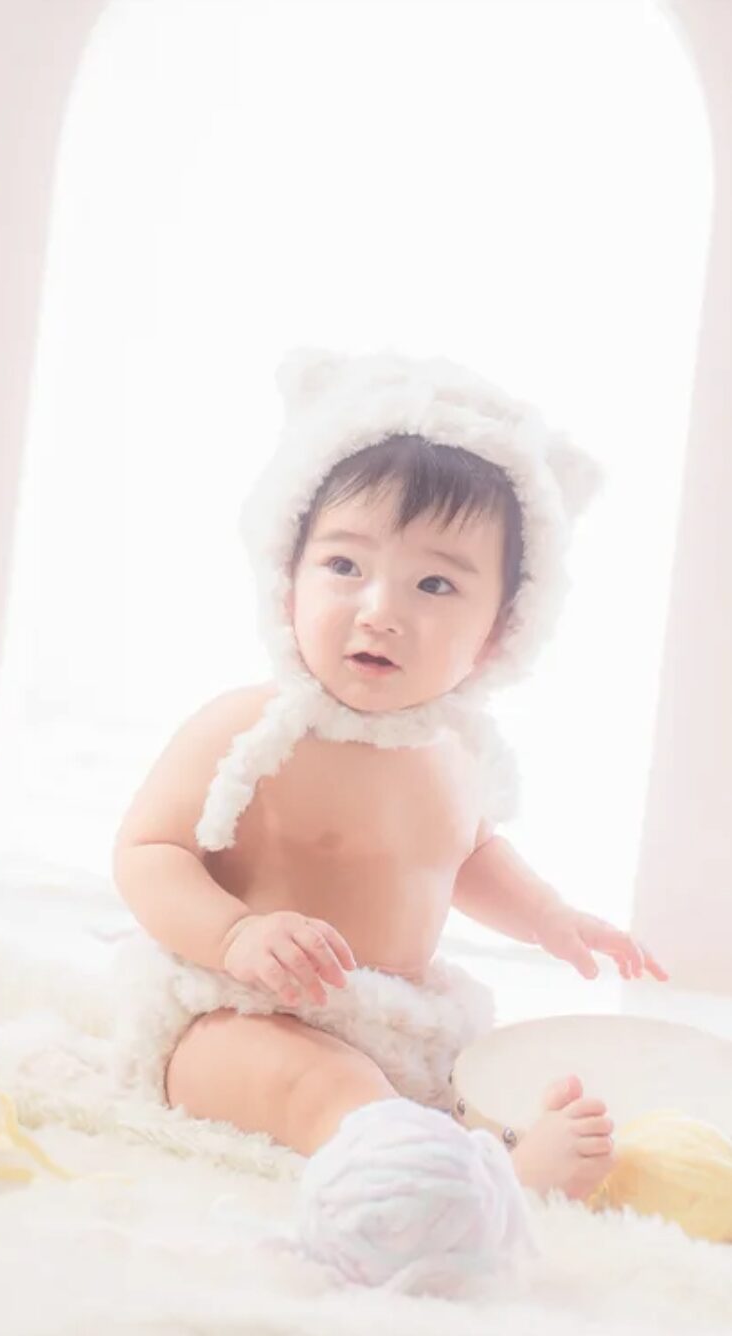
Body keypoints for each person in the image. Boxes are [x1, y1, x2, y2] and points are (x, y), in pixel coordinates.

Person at [110, 347, 670, 1291]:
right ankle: (449, 1191)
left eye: (434, 585)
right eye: (344, 565)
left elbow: (469, 854)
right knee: (323, 1087)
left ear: (501, 630)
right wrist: (236, 934)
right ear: (288, 576)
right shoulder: (250, 728)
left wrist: (550, 917)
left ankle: (457, 1148)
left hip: (395, 1024)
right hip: (235, 1013)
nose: (379, 611)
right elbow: (147, 850)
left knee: (474, 1081)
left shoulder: (452, 751)